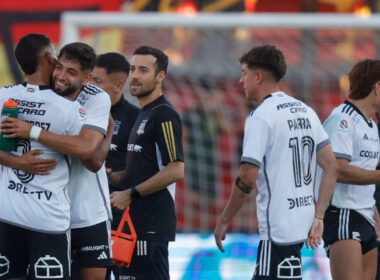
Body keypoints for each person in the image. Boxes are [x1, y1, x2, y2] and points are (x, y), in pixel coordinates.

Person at [213, 45, 338, 280]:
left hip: (278, 229)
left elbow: (248, 177)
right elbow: (331, 165)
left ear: (258, 77)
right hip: (302, 222)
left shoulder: (260, 117)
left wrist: (224, 219)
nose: (241, 80)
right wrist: (319, 215)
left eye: (244, 73)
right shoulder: (306, 110)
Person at [2, 42, 114, 279]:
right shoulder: (34, 94)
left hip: (87, 209)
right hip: (40, 210)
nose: (61, 77)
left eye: (71, 72)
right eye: (59, 68)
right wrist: (17, 162)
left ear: (86, 79)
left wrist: (32, 131)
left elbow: (91, 160)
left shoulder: (96, 99)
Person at [0, 34, 84, 279]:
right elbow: (88, 152)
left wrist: (15, 161)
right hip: (48, 220)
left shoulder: (3, 97)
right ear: (49, 57)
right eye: (56, 54)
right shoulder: (69, 109)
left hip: (6, 215)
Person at [110, 46, 184, 280]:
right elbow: (146, 169)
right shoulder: (143, 113)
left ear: (160, 76)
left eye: (143, 70)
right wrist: (115, 177)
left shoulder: (164, 114)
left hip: (150, 227)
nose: (134, 75)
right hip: (133, 225)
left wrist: (129, 193)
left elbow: (175, 169)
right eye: (132, 69)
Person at [321, 59, 380, 280]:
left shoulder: (371, 125)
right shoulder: (342, 119)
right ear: (377, 87)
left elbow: (364, 170)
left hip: (366, 217)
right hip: (343, 214)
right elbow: (339, 170)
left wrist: (374, 212)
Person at [90, 52, 140, 279]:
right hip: (83, 212)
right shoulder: (79, 110)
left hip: (118, 214)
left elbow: (145, 170)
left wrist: (110, 176)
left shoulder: (135, 118)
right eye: (90, 78)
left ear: (118, 85)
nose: (90, 85)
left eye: (97, 81)